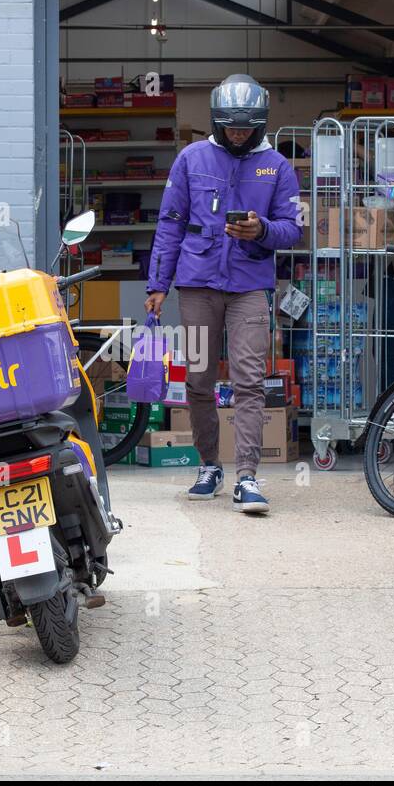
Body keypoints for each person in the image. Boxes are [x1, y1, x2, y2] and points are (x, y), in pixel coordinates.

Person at [146, 74, 301, 514]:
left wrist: (262, 230)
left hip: (250, 287)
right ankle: (209, 465)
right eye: (231, 127)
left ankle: (247, 477)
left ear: (260, 124)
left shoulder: (277, 167)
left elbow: (294, 228)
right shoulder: (190, 159)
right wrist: (158, 284)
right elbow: (170, 224)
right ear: (216, 122)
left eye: (246, 128)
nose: (238, 134)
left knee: (250, 381)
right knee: (198, 379)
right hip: (196, 287)